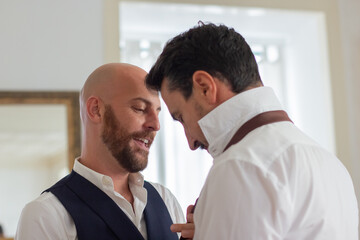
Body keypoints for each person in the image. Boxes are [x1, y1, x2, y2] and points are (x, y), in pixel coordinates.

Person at [146, 23, 359, 239]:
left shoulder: (241, 165)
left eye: (181, 117)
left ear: (204, 87)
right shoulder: (330, 163)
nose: (190, 142)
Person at [15, 63, 185, 240]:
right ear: (96, 110)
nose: (156, 125)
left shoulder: (166, 200)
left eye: (157, 112)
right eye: (140, 108)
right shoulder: (46, 215)